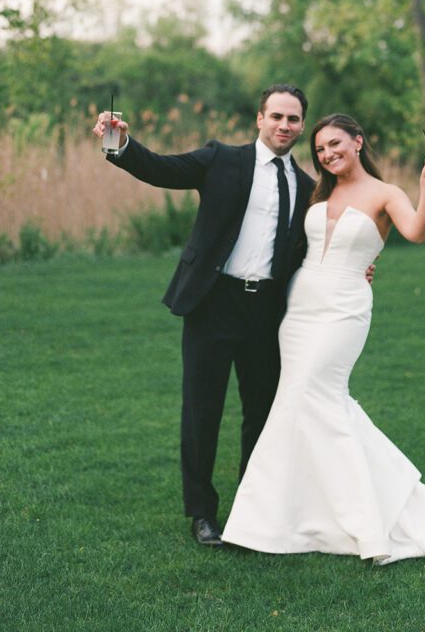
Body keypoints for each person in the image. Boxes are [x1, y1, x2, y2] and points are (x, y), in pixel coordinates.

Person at [222, 113, 425, 564]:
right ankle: (276, 519)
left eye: (335, 144)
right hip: (301, 306)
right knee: (297, 400)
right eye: (321, 149)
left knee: (316, 394)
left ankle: (368, 516)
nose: (327, 154)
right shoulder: (317, 191)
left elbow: (417, 233)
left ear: (358, 142)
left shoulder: (386, 194)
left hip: (344, 309)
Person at [93, 85, 320, 548]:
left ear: (301, 126)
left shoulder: (307, 187)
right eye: (276, 116)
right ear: (259, 118)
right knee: (202, 411)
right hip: (213, 303)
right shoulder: (222, 160)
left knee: (262, 414)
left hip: (268, 311)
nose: (284, 126)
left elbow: (315, 248)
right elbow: (159, 168)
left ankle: (253, 508)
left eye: (293, 119)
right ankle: (202, 514)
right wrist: (119, 143)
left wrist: (360, 267)